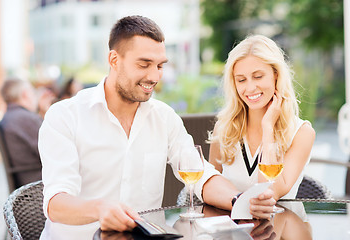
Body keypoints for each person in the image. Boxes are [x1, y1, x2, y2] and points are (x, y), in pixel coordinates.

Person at [39, 15, 262, 240]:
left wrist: (240, 201)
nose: (154, 76)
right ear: (114, 60)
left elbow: (200, 174)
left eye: (159, 65)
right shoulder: (65, 116)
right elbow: (56, 203)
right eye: (144, 64)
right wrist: (100, 209)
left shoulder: (164, 117)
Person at [209, 35, 316, 217]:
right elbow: (210, 185)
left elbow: (269, 194)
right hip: (233, 231)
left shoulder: (302, 133)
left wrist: (268, 128)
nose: (250, 88)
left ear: (276, 75)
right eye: (241, 80)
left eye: (258, 76)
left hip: (283, 230)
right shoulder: (224, 129)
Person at [0, 78, 55, 187]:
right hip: (39, 183)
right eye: (33, 92)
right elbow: (54, 151)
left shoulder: (10, 117)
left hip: (26, 180)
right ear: (25, 94)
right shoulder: (26, 119)